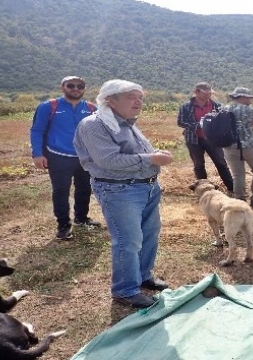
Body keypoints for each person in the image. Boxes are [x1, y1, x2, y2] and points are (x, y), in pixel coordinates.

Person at [73, 79, 173, 309]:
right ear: (111, 100)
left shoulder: (125, 123)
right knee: (128, 240)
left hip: (145, 187)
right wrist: (151, 159)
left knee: (149, 233)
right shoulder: (94, 125)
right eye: (131, 97)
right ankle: (125, 290)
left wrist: (154, 153)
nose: (138, 102)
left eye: (140, 97)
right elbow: (108, 160)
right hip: (119, 190)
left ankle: (142, 276)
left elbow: (133, 154)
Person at [29, 76, 100, 240]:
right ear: (63, 87)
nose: (76, 88)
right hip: (58, 156)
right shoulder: (49, 106)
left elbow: (98, 132)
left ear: (84, 89)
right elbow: (37, 130)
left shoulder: (91, 108)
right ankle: (63, 226)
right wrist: (37, 154)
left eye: (80, 86)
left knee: (84, 189)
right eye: (71, 85)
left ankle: (81, 218)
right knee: (61, 190)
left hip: (84, 157)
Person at [221, 87, 253, 210]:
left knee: (237, 174)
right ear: (242, 97)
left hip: (230, 147)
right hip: (250, 145)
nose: (251, 100)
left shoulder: (222, 109)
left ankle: (240, 201)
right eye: (249, 97)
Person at [177, 82, 234, 194]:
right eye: (205, 93)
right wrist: (197, 125)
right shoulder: (186, 107)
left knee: (221, 163)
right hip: (194, 139)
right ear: (196, 92)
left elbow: (224, 121)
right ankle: (205, 189)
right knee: (199, 165)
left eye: (210, 93)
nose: (208, 96)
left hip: (213, 139)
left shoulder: (217, 106)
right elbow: (180, 122)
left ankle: (232, 188)